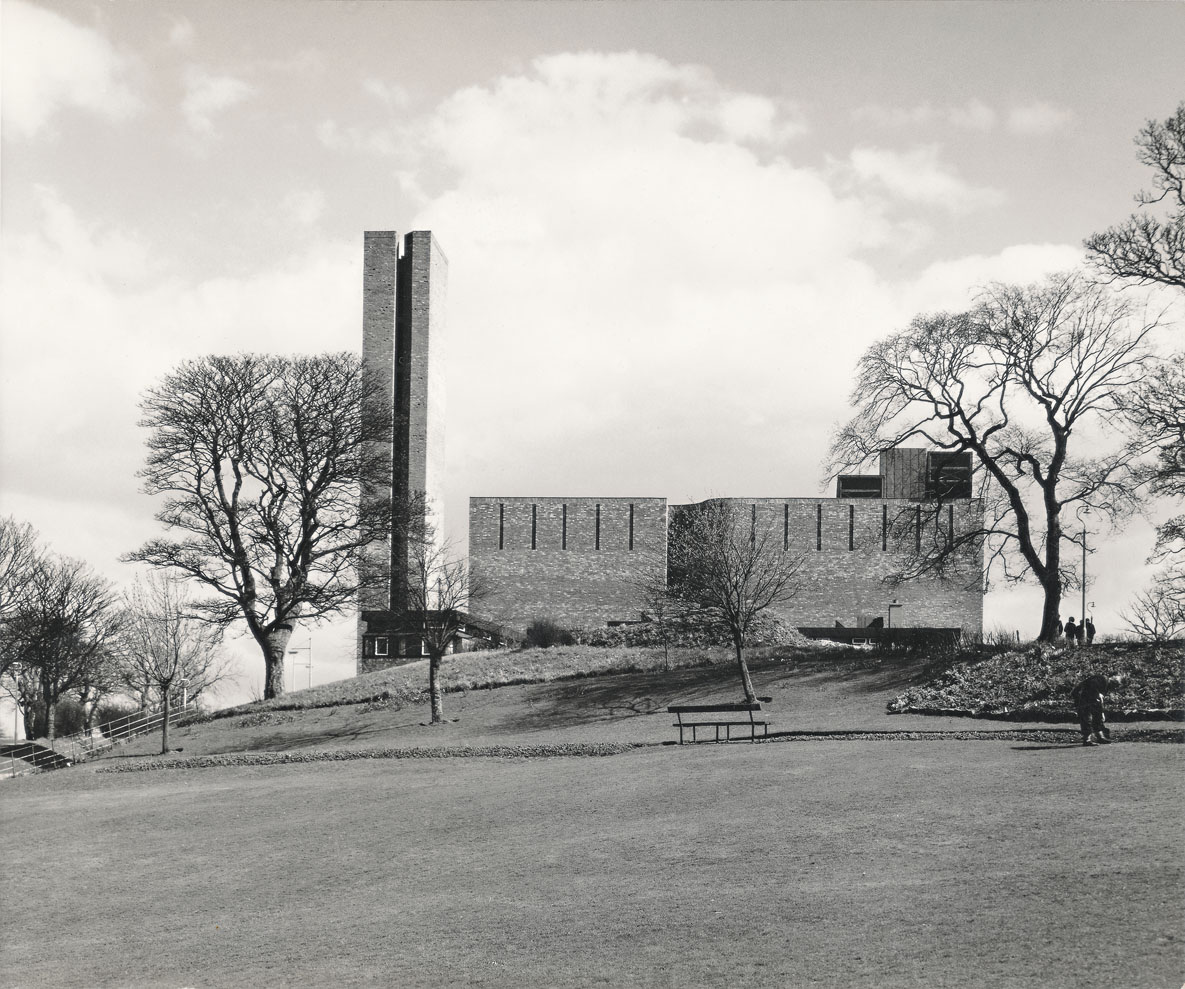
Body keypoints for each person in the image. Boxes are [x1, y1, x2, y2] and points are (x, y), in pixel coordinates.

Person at [1070, 673, 1122, 746]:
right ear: (1113, 680)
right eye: (1115, 684)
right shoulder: (1103, 679)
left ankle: (1100, 737)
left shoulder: (1106, 685)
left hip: (1091, 698)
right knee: (1087, 718)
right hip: (1083, 697)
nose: (1114, 687)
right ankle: (1087, 740)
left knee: (1097, 716)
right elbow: (1090, 687)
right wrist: (1097, 695)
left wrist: (1102, 712)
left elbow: (1100, 698)